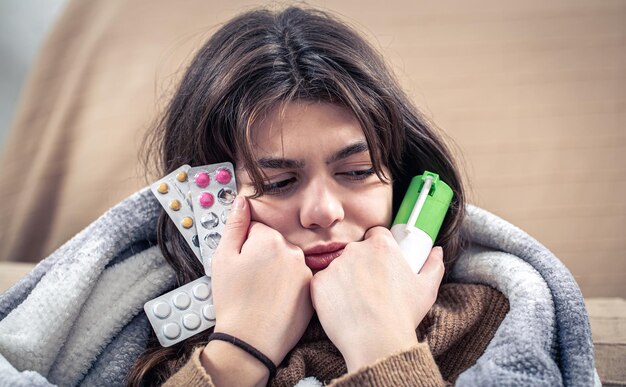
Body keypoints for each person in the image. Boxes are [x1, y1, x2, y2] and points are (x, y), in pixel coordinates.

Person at [128, 6, 509, 386]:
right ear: (205, 198)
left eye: (358, 172)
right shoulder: (143, 350)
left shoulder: (489, 323)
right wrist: (239, 348)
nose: (324, 212)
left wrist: (382, 343)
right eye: (277, 182)